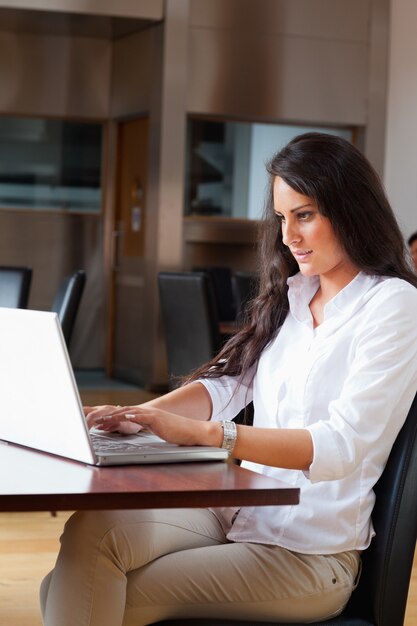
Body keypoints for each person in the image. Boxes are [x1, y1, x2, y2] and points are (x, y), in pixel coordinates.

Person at [40, 133, 417, 626]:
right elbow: (227, 385)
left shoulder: (393, 305)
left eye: (304, 215)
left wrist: (212, 435)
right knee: (91, 535)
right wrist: (144, 416)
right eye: (283, 218)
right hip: (238, 515)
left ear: (351, 210)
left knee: (80, 588)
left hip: (307, 556)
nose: (289, 237)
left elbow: (342, 444)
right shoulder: (295, 297)